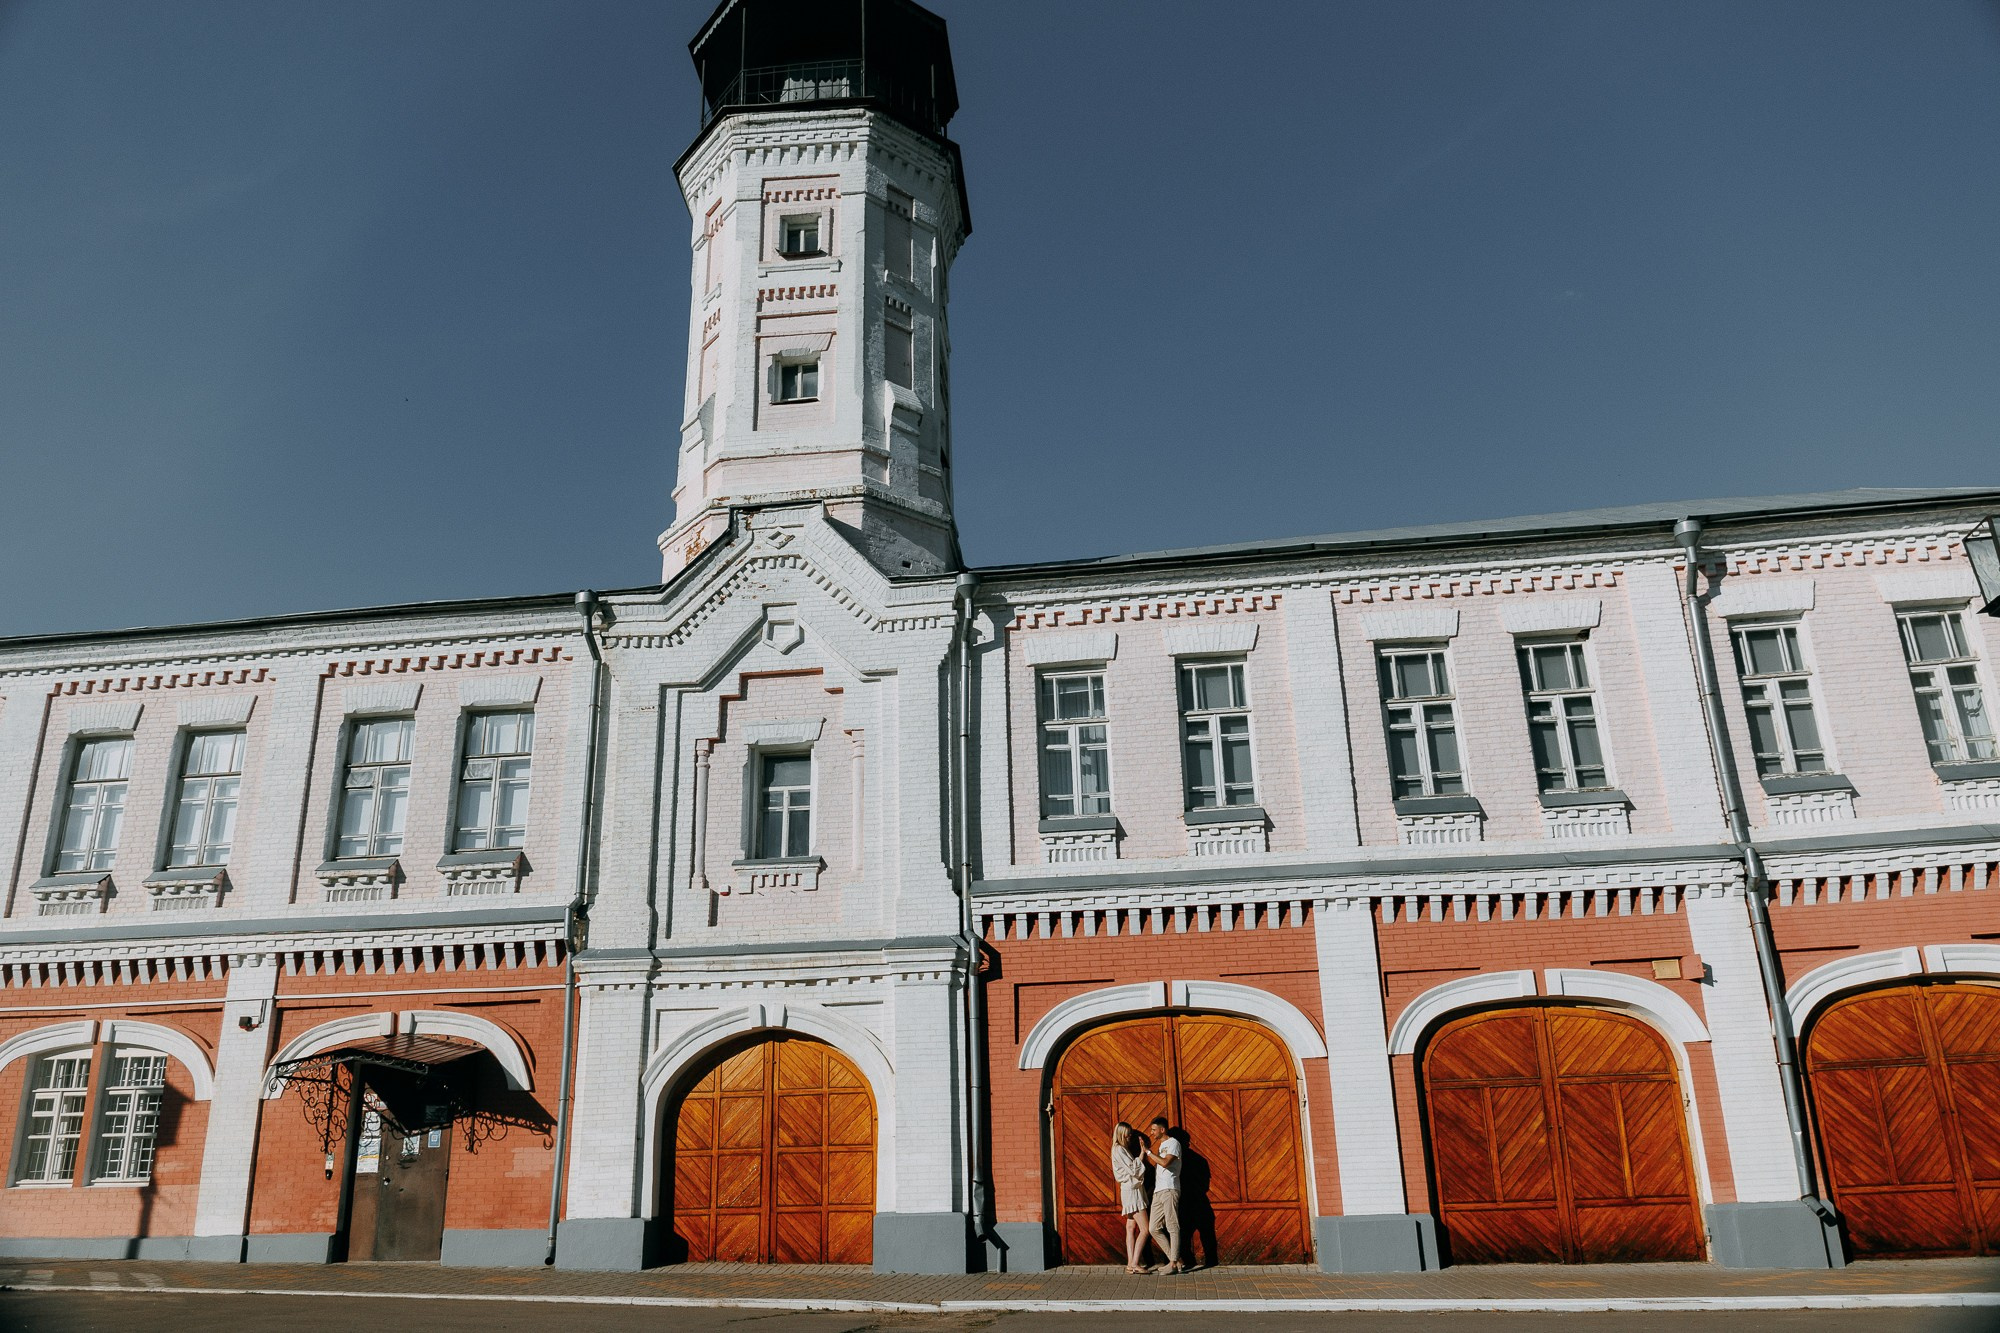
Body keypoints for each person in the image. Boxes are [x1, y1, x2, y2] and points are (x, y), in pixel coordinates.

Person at [1141, 1115, 1184, 1274]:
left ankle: (1172, 1264)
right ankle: (1176, 1259)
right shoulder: (1161, 1146)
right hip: (1159, 1191)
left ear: (1162, 1129)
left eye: (1153, 1129)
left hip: (1170, 1189)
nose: (1151, 1132)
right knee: (1153, 1228)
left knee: (1172, 1226)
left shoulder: (1173, 1143)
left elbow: (1166, 1162)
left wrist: (1149, 1153)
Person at [1109, 1121, 1148, 1273]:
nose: (1130, 1135)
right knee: (1145, 1229)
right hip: (1132, 1191)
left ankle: (1130, 1263)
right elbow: (1134, 1170)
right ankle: (1135, 1264)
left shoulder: (1120, 1149)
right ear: (1121, 1134)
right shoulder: (1119, 1149)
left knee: (1131, 1227)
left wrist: (1142, 1153)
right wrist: (1143, 1154)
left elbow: (1133, 1167)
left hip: (1129, 1190)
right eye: (1128, 1133)